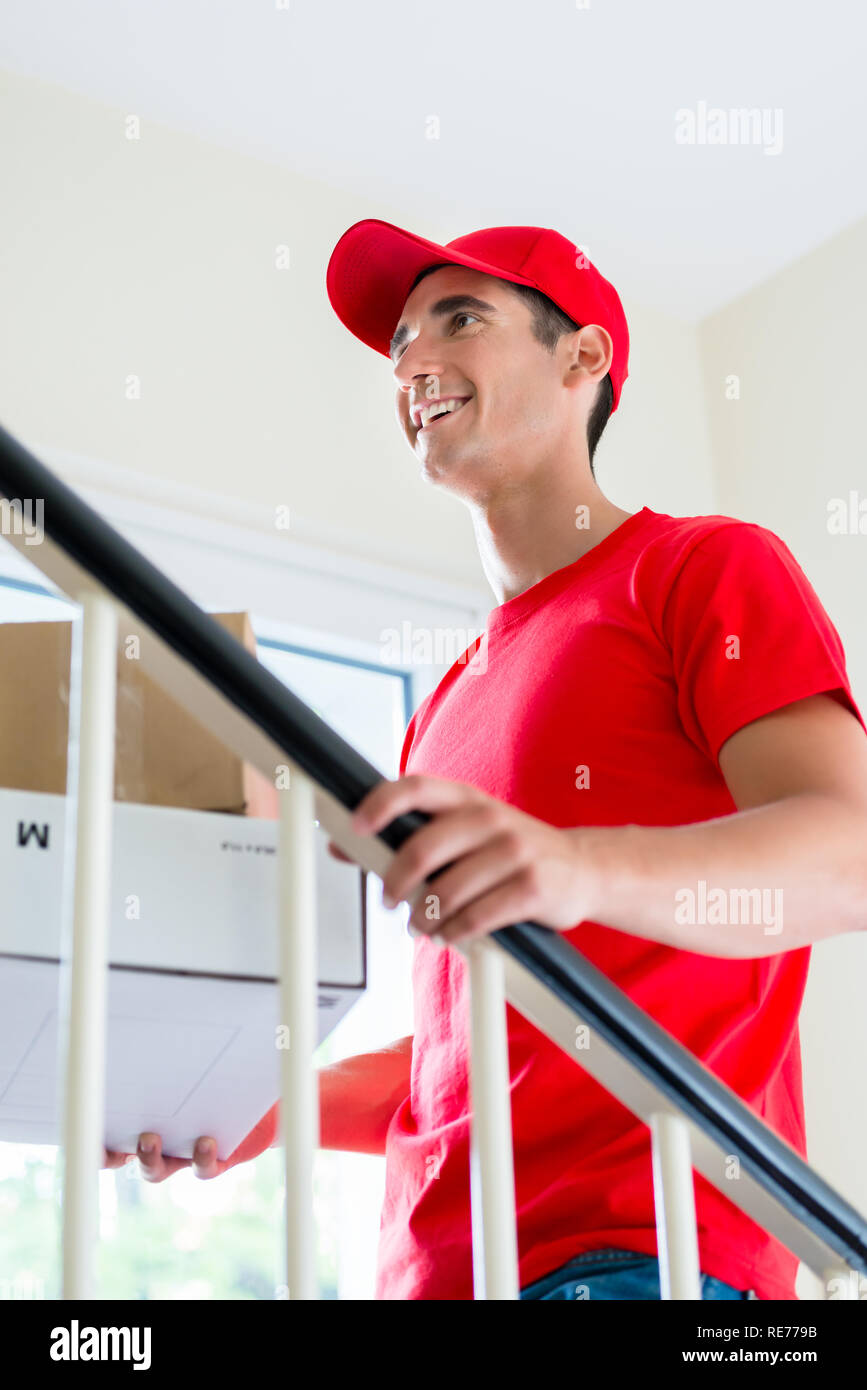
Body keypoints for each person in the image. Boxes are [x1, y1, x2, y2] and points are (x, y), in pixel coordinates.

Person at [106, 220, 867, 1302]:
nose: (413, 360)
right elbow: (465, 1063)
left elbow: (849, 855)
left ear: (583, 357)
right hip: (437, 1277)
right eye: (403, 340)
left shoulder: (703, 567)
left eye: (460, 319)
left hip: (645, 1256)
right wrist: (254, 1102)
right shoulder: (446, 706)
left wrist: (575, 866)